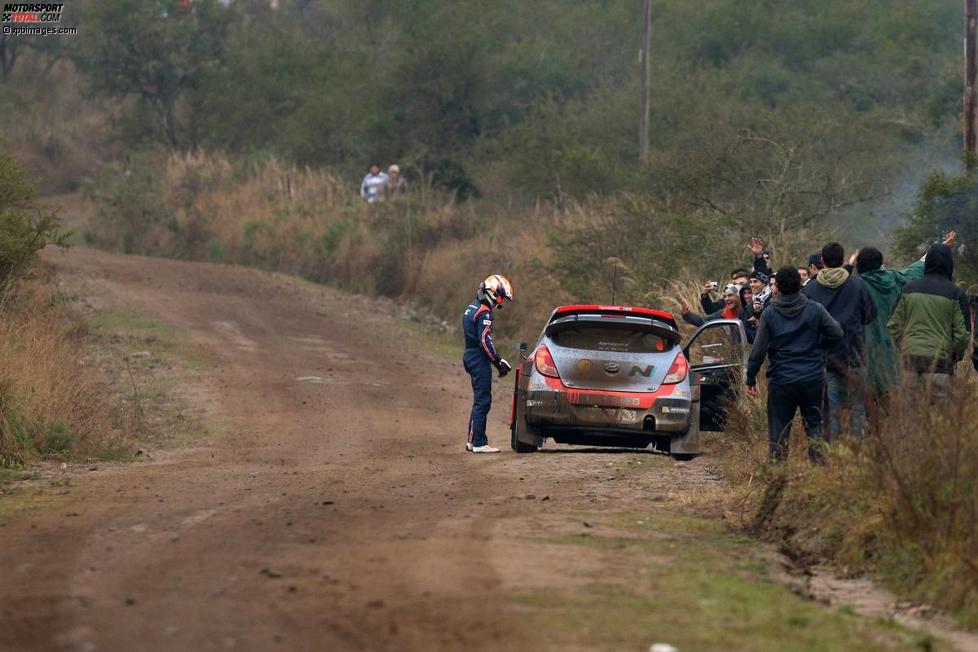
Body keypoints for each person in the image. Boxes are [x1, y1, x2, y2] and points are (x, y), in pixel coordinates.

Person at [746, 267, 843, 461]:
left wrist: (751, 377)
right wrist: (819, 350)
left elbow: (758, 350)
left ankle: (778, 473)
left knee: (779, 431)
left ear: (778, 288)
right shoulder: (815, 309)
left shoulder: (770, 313)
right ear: (800, 285)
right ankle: (819, 471)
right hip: (812, 378)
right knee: (815, 426)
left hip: (781, 380)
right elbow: (837, 333)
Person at [854, 231, 957, 400]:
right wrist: (939, 249)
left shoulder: (856, 286)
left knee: (869, 405)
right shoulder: (896, 279)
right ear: (881, 263)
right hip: (893, 352)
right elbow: (914, 270)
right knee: (893, 397)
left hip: (867, 354)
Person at [803, 242, 876, 437]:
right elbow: (870, 316)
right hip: (855, 355)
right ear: (843, 260)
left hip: (823, 359)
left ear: (822, 261)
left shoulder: (810, 289)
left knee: (830, 409)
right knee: (857, 409)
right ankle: (856, 451)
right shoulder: (858, 284)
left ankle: (833, 453)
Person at [887, 244, 970, 399]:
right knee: (941, 420)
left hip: (910, 363)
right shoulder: (956, 293)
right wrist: (955, 355)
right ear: (949, 264)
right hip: (941, 365)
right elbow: (962, 335)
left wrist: (905, 346)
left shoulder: (908, 289)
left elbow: (893, 325)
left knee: (911, 420)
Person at [462, 275, 514, 453]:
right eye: (500, 298)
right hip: (477, 358)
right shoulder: (484, 312)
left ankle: (472, 440)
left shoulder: (472, 306)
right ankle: (479, 443)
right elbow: (485, 340)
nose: (500, 303)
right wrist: (498, 360)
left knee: (479, 400)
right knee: (483, 401)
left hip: (470, 354)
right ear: (492, 294)